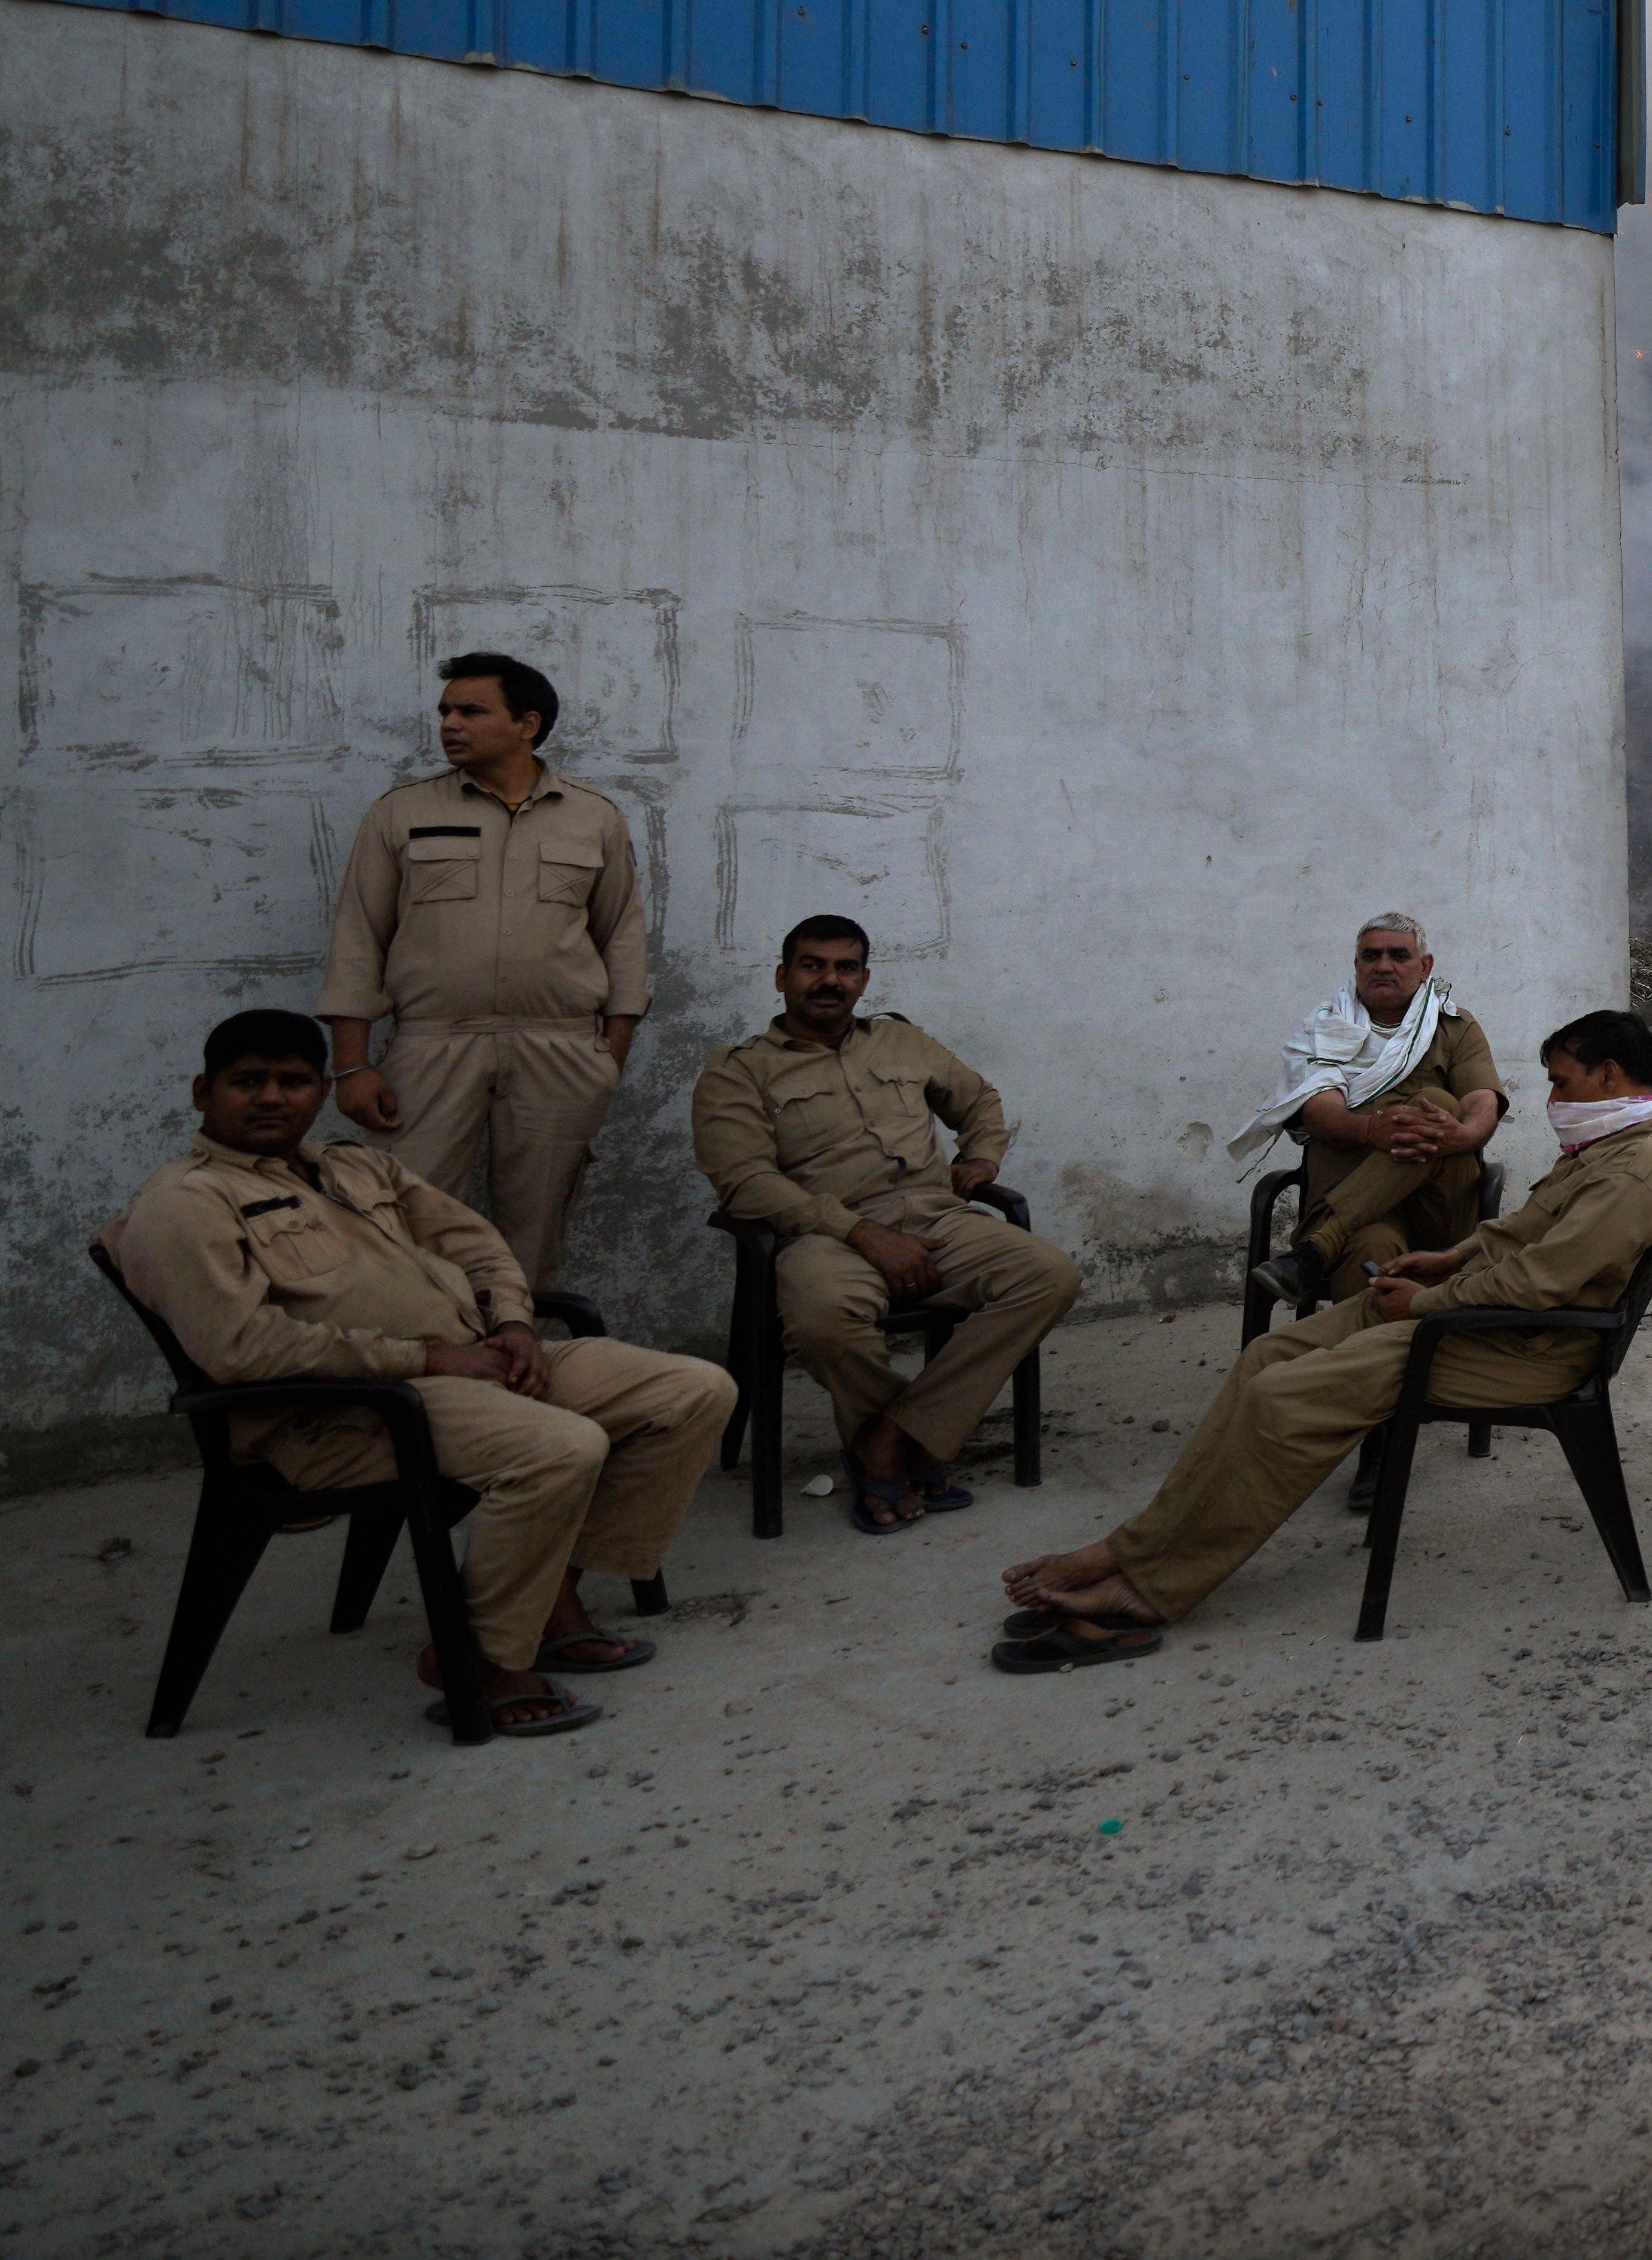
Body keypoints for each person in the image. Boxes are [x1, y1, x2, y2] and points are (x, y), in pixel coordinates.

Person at [105, 1010, 733, 1739]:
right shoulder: (186, 1201)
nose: (272, 1097)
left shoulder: (355, 1164)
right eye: (248, 1081)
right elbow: (244, 1348)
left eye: (294, 1080)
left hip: (471, 1365)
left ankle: (551, 1599)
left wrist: (514, 1321)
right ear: (202, 1091)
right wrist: (431, 1358)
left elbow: (475, 1241)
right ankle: (481, 1658)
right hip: (348, 1411)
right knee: (561, 1447)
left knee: (693, 1390)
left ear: (319, 1091)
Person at [995, 1013, 1652, 1666]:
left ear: (1607, 1076)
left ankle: (1147, 1582)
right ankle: (1137, 1548)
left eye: (1561, 1080)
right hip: (1483, 1311)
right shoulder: (1613, 1143)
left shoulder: (1638, 1165)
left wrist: (1429, 1300)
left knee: (1283, 1399)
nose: (1551, 1095)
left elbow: (1541, 1281)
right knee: (1267, 1357)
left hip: (1521, 1346)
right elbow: (1528, 1232)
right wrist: (1450, 1258)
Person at [686, 916, 1077, 1534]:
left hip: (932, 1216)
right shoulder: (739, 1071)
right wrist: (862, 1233)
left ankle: (890, 1438)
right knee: (823, 1318)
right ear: (782, 976)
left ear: (864, 979)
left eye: (845, 968)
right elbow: (744, 1181)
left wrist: (980, 1154)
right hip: (824, 1234)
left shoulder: (902, 1041)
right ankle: (898, 1443)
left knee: (1048, 1274)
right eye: (813, 965)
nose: (829, 980)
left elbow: (977, 1099)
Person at [316, 650, 647, 1288]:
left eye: (470, 709)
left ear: (526, 723)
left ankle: (530, 1370)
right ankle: (427, 1373)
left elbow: (623, 937)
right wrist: (352, 1066)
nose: (449, 723)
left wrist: (610, 1054)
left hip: (561, 1048)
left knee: (536, 1228)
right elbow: (357, 940)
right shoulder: (399, 813)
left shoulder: (593, 815)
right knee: (408, 1217)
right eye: (445, 710)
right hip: (435, 1039)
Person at [1233, 913, 1509, 1309]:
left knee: (1441, 1104)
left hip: (1436, 1208)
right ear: (1357, 964)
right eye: (1371, 956)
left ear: (1425, 966)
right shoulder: (1325, 1029)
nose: (1383, 966)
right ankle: (1369, 1364)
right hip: (1351, 1203)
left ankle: (1317, 1249)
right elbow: (1319, 1112)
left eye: (1399, 955)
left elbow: (1481, 1101)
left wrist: (1464, 1135)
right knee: (1371, 1246)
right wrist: (1367, 1130)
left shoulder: (1455, 1026)